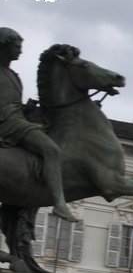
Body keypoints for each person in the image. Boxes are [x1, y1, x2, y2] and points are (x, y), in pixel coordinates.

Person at [0, 28, 79, 221]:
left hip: (16, 121)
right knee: (51, 149)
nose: (20, 51)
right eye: (17, 46)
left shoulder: (13, 75)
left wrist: (24, 111)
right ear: (5, 46)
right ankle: (59, 204)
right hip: (8, 125)